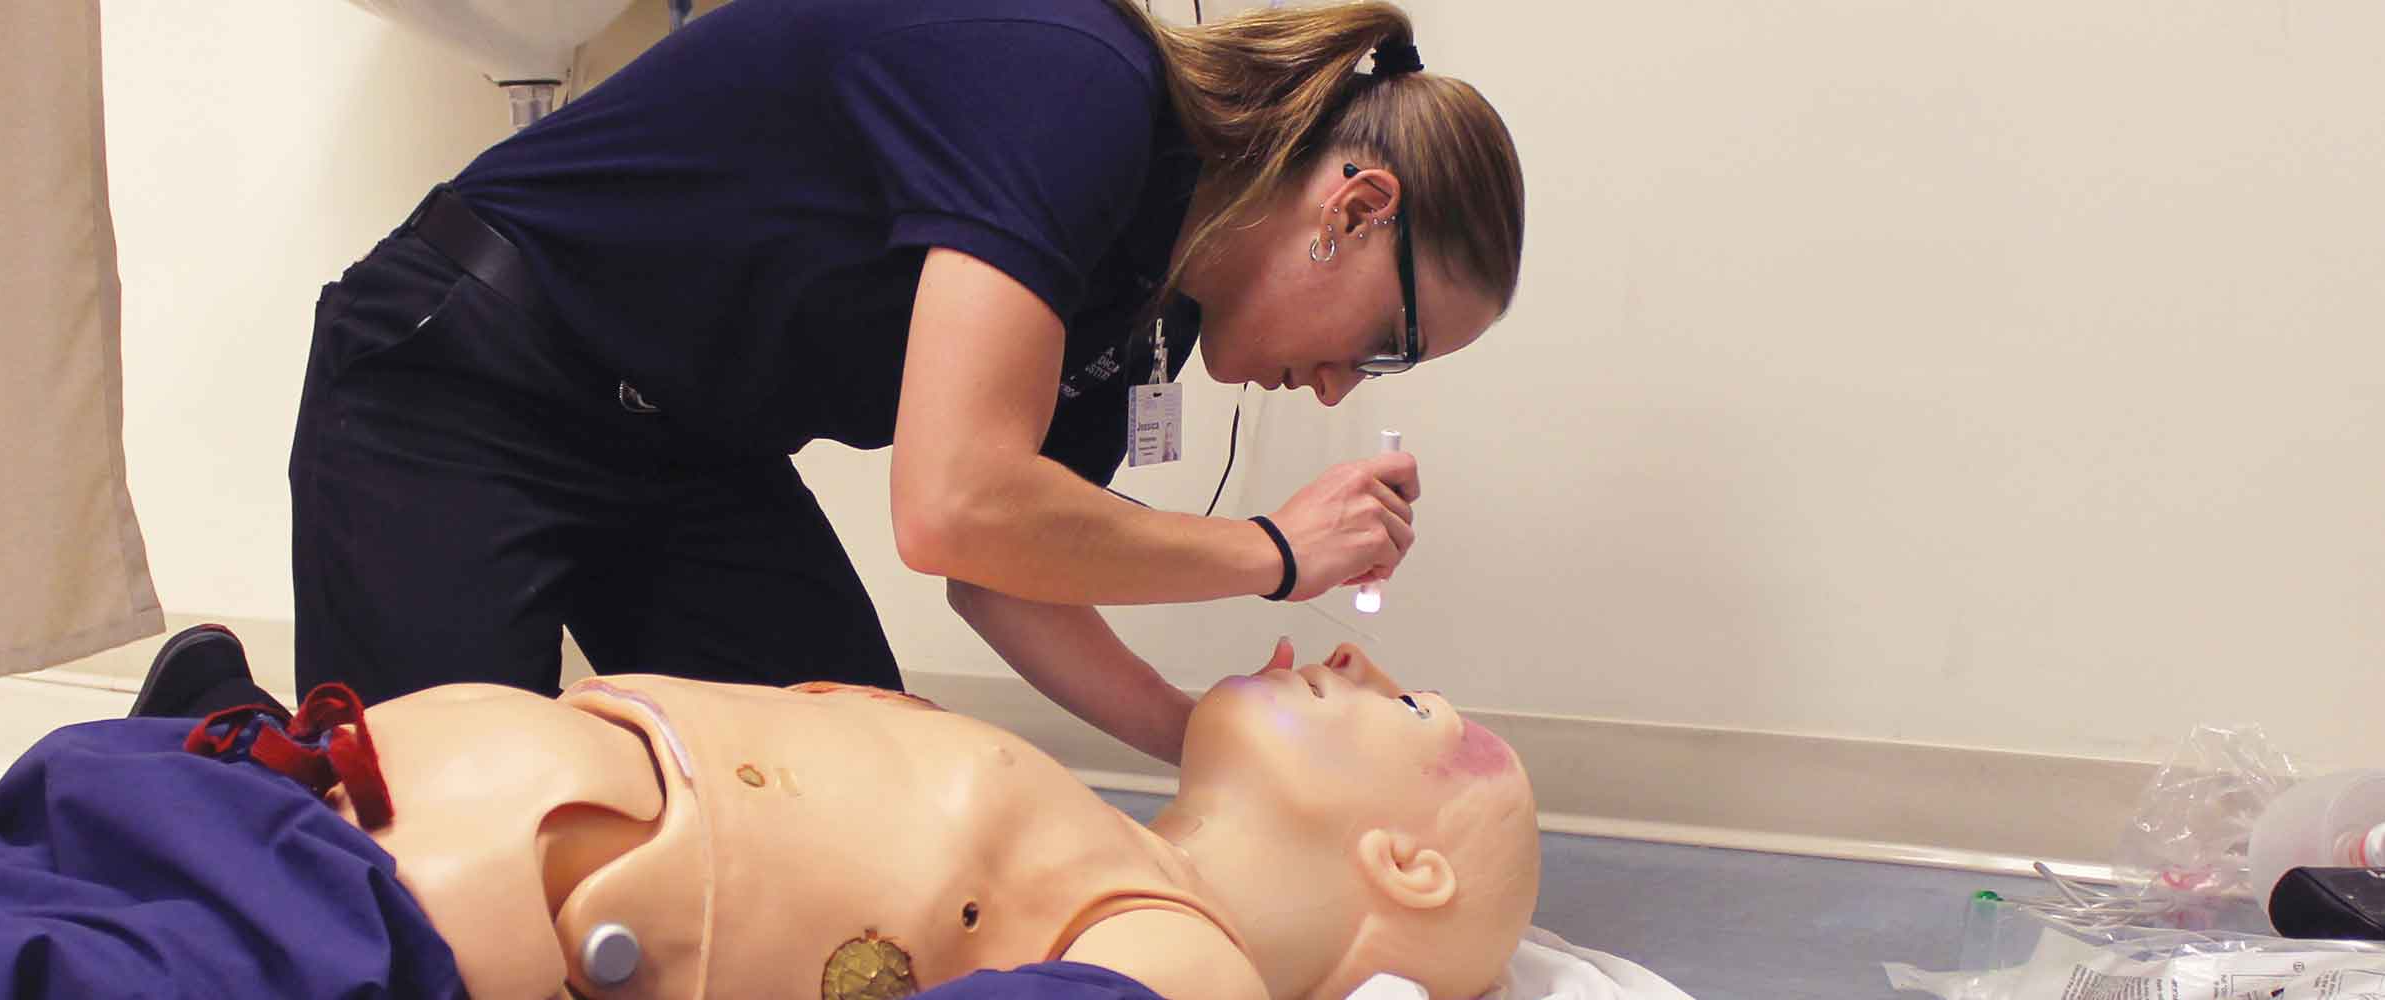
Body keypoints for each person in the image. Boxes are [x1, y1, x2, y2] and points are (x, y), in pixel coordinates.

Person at [268, 0, 1528, 764]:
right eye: (1386, 343)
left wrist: (1200, 733)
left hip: (689, 454)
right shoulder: (1078, 83)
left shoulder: (1146, 304)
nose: (1337, 390)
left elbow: (1000, 572)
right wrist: (1269, 550)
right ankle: (210, 716)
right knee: (432, 855)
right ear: (1356, 208)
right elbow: (952, 505)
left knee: (874, 812)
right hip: (464, 375)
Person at [0, 641, 1539, 999]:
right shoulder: (1070, 811)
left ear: (1400, 863)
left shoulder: (1183, 955)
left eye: (1409, 705)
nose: (1349, 651)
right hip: (232, 789)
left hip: (346, 936)